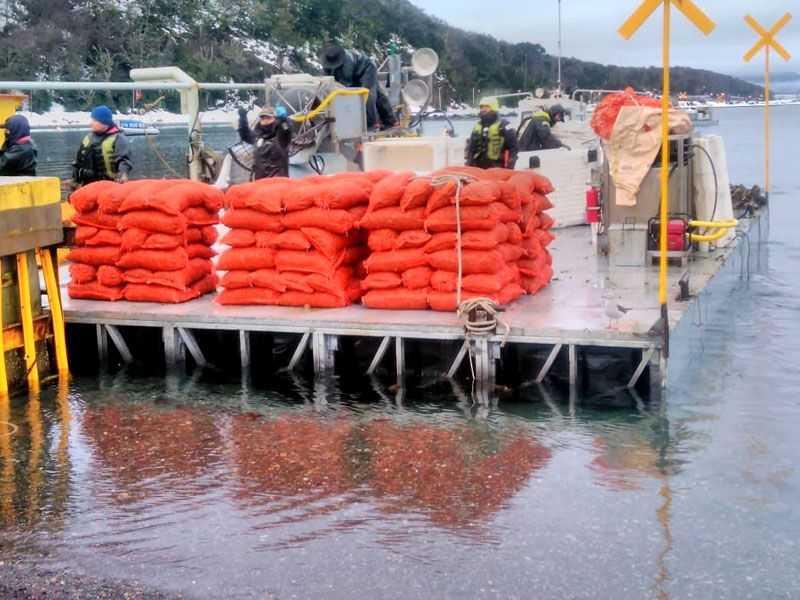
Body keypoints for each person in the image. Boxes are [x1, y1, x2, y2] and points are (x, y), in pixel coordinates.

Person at [320, 44, 398, 131]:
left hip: (366, 69)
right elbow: (327, 80)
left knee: (367, 94)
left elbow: (345, 87)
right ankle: (391, 121)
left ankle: (371, 124)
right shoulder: (326, 61)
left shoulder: (347, 62)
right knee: (378, 94)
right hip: (354, 74)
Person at [71, 105, 132, 187]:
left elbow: (124, 161)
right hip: (88, 185)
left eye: (95, 120)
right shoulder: (88, 139)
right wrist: (75, 179)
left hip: (110, 185)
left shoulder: (119, 139)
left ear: (105, 122)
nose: (91, 123)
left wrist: (123, 174)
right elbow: (78, 162)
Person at [237, 104, 292, 179]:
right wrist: (242, 118)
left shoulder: (281, 137)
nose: (265, 121)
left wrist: (283, 121)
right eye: (262, 118)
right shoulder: (257, 136)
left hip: (278, 182)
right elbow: (245, 135)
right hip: (260, 180)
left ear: (275, 119)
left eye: (269, 118)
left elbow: (286, 131)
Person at [464, 97, 518, 170]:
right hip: (477, 167)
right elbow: (470, 148)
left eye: (486, 107)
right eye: (481, 107)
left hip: (496, 168)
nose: (483, 109)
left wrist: (510, 166)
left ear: (494, 108)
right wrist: (468, 164)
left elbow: (514, 149)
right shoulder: (477, 126)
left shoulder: (504, 126)